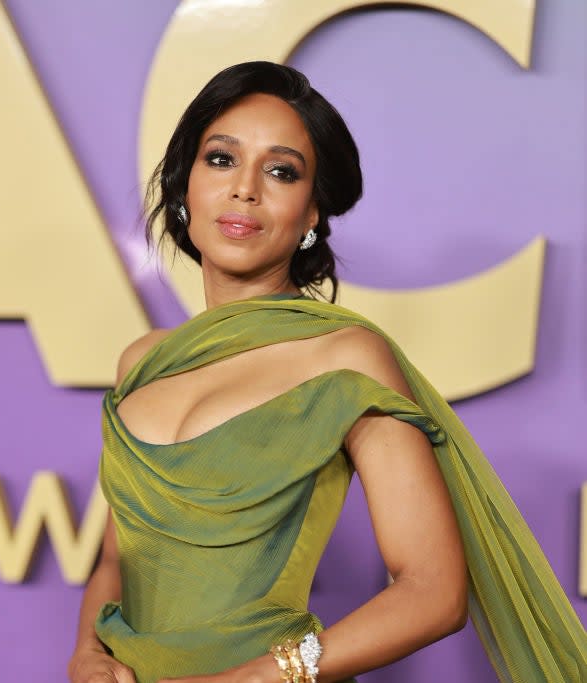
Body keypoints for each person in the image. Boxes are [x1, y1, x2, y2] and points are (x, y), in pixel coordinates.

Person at [68, 62, 586, 683]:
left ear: (312, 212)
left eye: (281, 171)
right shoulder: (141, 362)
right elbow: (112, 559)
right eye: (222, 160)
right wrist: (87, 654)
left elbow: (434, 592)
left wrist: (252, 678)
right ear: (185, 186)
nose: (245, 190)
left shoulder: (346, 357)